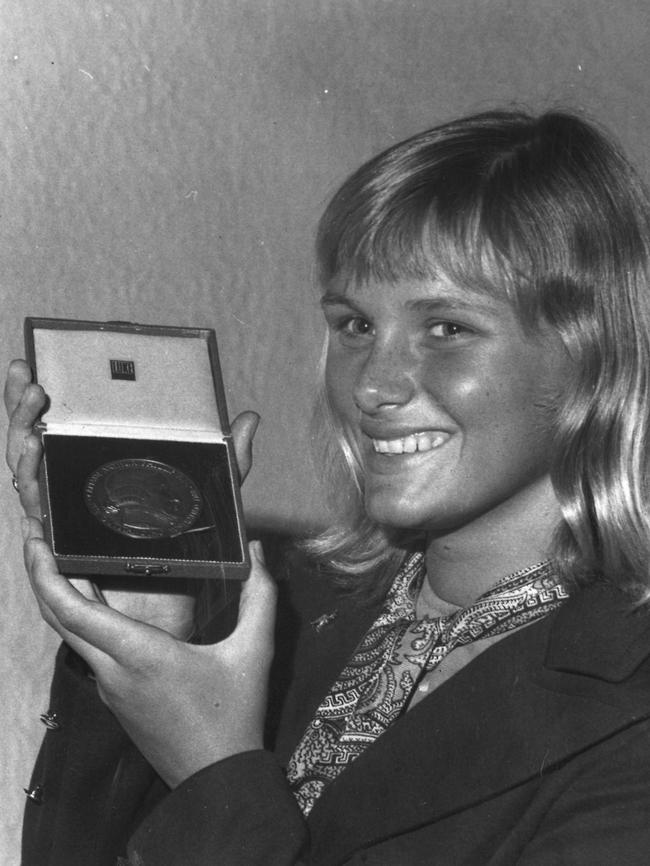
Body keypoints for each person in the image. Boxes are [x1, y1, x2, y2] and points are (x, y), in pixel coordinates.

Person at [8, 107, 650, 866]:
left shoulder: (629, 704)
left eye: (447, 328)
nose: (373, 385)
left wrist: (218, 773)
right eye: (354, 325)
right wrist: (141, 636)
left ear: (593, 354)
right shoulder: (284, 608)